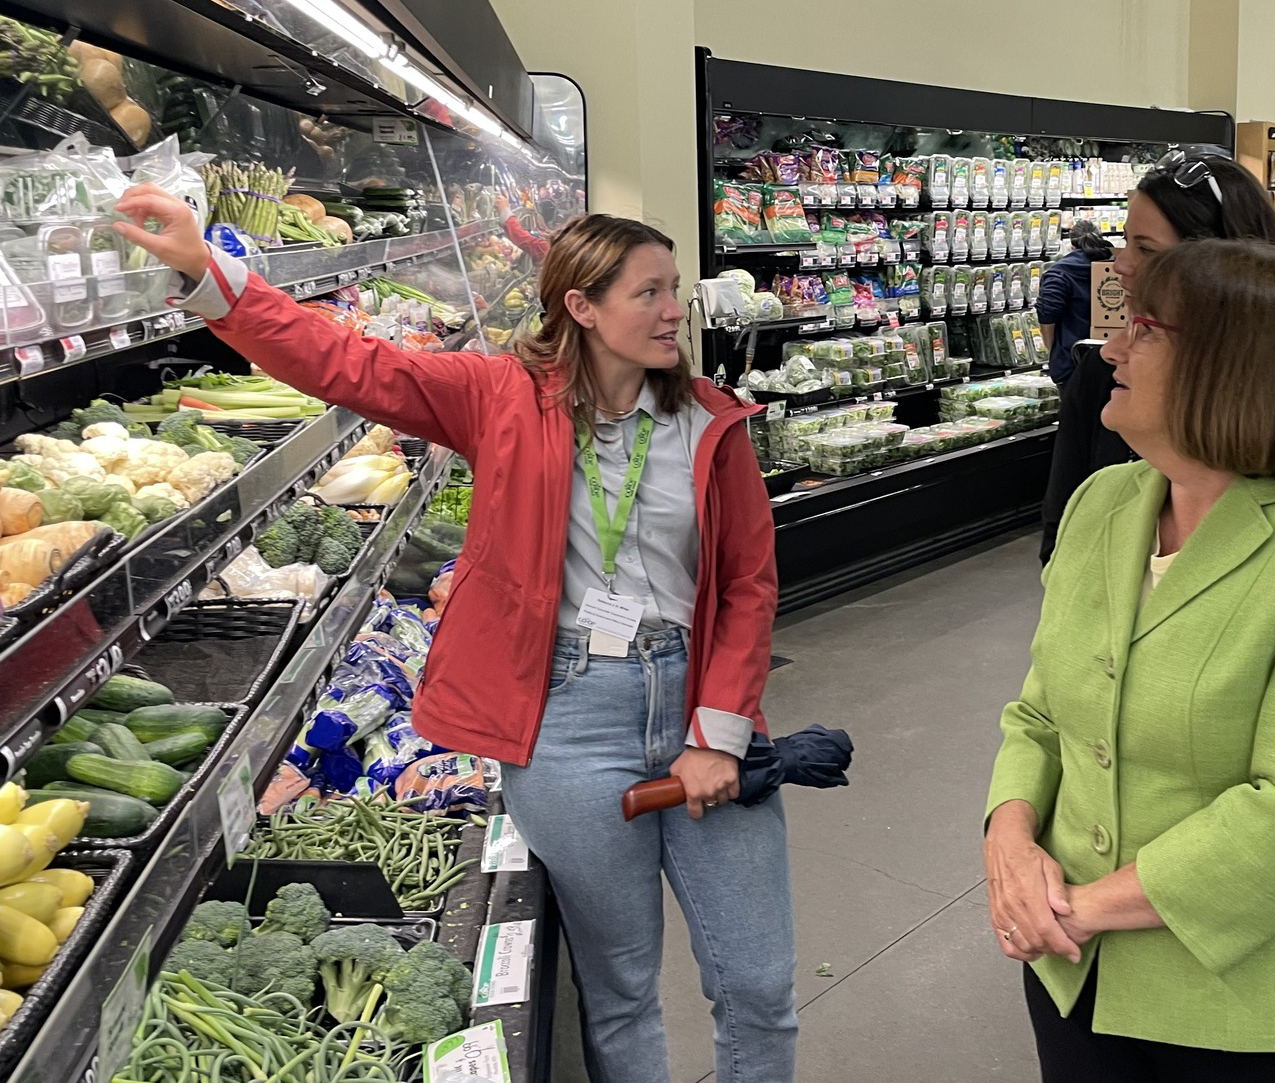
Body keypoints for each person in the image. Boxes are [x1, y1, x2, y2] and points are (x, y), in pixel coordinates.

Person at [113, 185, 798, 1083]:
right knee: (621, 985)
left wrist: (718, 731)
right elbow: (347, 363)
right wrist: (210, 273)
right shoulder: (497, 398)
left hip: (690, 697)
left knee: (758, 983)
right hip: (562, 723)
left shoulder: (710, 421)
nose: (676, 310)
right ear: (581, 308)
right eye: (650, 291)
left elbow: (748, 585)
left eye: (675, 289)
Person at [988, 238, 1275, 1082]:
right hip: (1075, 985)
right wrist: (1008, 845)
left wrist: (1078, 907)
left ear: (1234, 366)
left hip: (1267, 1020)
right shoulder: (1103, 502)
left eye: (1144, 329)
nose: (1110, 347)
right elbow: (1039, 713)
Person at [1038, 147, 1275, 564]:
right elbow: (1061, 530)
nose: (1121, 265)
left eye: (1148, 250)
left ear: (1227, 264)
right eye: (1125, 242)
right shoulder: (1105, 375)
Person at [1036, 219, 1117, 386]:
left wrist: (1054, 353)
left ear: (1071, 244)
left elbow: (1047, 317)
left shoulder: (1059, 272)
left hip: (1073, 362)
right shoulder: (1117, 265)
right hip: (1114, 359)